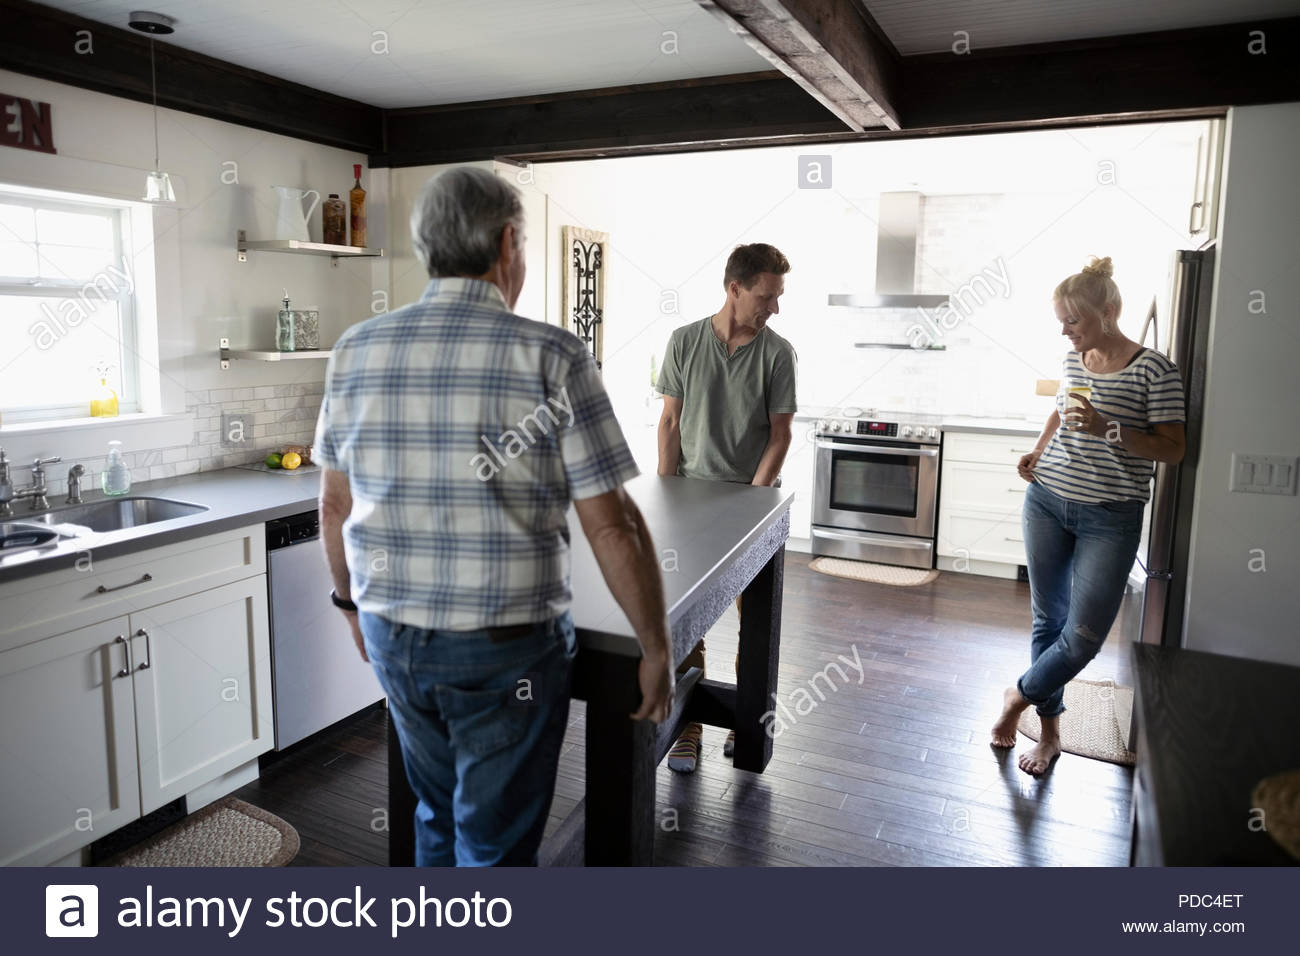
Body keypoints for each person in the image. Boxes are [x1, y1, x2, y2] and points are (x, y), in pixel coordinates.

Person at [315, 166, 674, 865]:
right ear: (507, 243)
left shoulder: (356, 348)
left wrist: (351, 606)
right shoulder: (553, 355)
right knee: (495, 843)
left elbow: (335, 503)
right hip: (505, 646)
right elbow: (613, 524)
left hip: (396, 637)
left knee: (437, 818)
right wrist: (656, 646)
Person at [991, 255, 1186, 775]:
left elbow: (1172, 449)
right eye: (1061, 321)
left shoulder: (1155, 369)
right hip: (1047, 499)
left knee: (1082, 637)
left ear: (1109, 311)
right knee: (1047, 621)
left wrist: (1109, 430)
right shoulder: (1074, 360)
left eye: (1072, 321)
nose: (1064, 331)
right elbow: (1061, 407)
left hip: (1111, 515)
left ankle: (1020, 695)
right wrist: (1038, 451)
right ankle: (1050, 735)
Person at [655, 243, 797, 772]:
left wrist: (755, 502)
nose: (774, 308)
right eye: (766, 296)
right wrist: (664, 495)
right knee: (686, 620)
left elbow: (780, 435)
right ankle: (687, 727)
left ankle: (744, 723)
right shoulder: (684, 342)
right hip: (688, 501)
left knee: (752, 623)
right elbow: (670, 423)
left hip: (752, 502)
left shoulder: (778, 354)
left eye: (779, 296)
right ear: (734, 289)